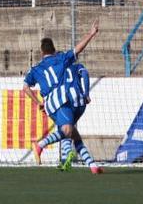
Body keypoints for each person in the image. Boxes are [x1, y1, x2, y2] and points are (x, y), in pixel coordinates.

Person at [22, 20, 101, 174]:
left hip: (54, 102)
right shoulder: (62, 58)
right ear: (54, 49)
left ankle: (91, 165)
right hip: (68, 99)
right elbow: (78, 50)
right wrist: (91, 34)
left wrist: (38, 102)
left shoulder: (36, 69)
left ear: (41, 52)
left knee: (71, 132)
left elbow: (25, 87)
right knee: (67, 129)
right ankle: (42, 146)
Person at [32, 63, 91, 170]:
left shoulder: (57, 69)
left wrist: (44, 101)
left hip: (60, 101)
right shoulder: (75, 66)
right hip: (76, 101)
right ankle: (67, 161)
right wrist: (86, 93)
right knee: (67, 129)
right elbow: (85, 74)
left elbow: (48, 87)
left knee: (65, 129)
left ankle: (42, 145)